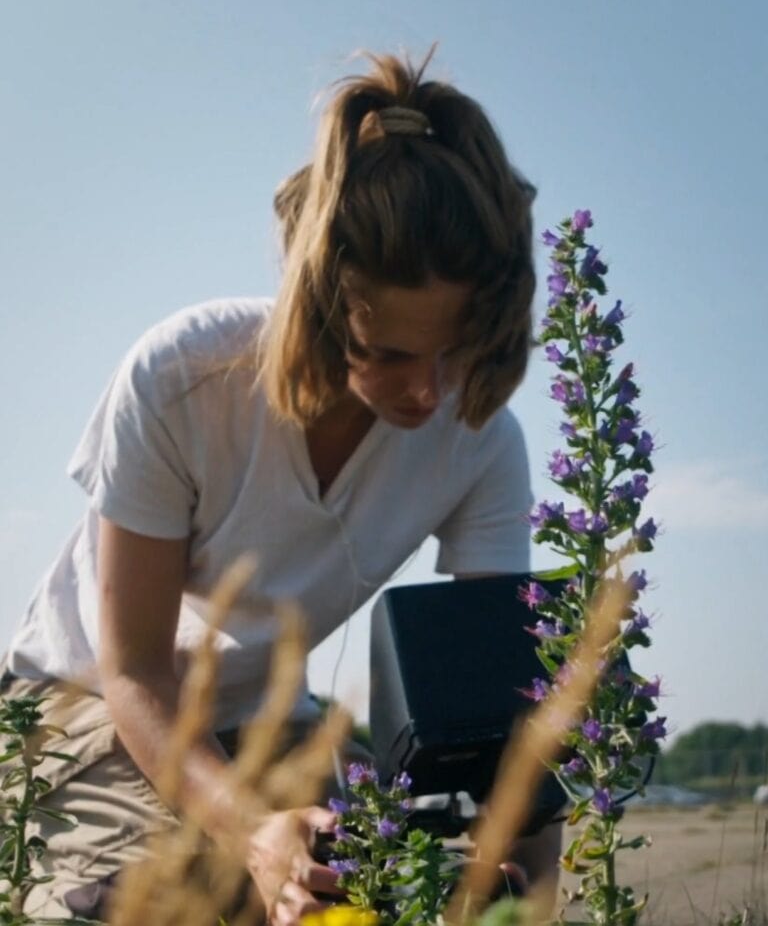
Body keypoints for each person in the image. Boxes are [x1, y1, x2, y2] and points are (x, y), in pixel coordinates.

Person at [1, 50, 562, 923]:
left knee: (364, 900)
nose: (427, 393)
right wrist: (254, 832)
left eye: (456, 353)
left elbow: (508, 711)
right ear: (322, 306)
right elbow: (136, 672)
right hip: (85, 713)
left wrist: (528, 904)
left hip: (264, 716)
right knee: (159, 906)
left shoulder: (483, 439)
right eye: (389, 354)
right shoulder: (182, 379)